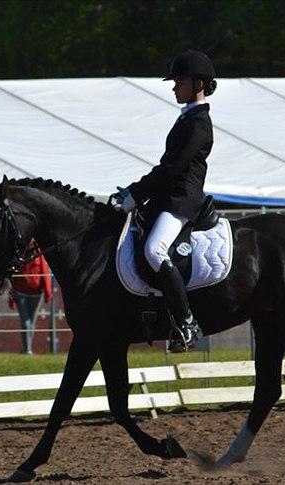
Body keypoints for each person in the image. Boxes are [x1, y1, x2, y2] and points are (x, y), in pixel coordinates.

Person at [114, 50, 217, 352]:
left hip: (182, 202)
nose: (174, 87)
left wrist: (135, 193)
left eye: (180, 82)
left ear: (198, 84)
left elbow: (172, 169)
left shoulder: (198, 124)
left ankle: (186, 323)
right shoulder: (187, 119)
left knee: (155, 250)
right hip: (167, 199)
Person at [8, 253, 52, 354]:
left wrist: (47, 293)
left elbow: (45, 272)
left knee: (32, 322)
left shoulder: (39, 255)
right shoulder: (19, 255)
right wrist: (11, 297)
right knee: (26, 323)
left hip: (36, 294)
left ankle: (26, 348)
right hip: (20, 293)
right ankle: (27, 349)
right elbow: (12, 277)